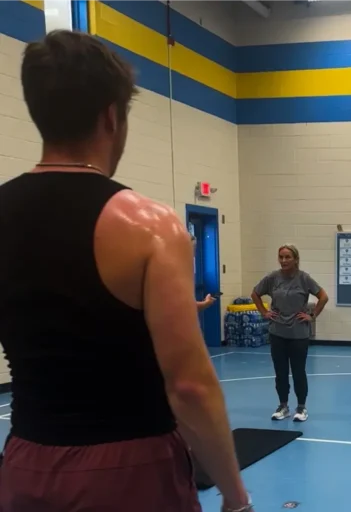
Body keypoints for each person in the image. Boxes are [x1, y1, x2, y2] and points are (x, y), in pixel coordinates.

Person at [0, 30, 252, 511]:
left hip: (24, 464)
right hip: (128, 469)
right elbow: (188, 384)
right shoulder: (148, 225)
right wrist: (235, 497)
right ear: (112, 117)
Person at [252, 245, 328, 422]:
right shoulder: (272, 278)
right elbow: (255, 294)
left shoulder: (304, 278)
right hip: (277, 331)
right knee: (280, 372)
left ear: (295, 259)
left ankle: (301, 408)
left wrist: (312, 315)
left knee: (298, 371)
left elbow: (323, 297)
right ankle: (283, 406)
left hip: (298, 333)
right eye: (281, 257)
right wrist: (264, 312)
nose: (284, 261)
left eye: (287, 257)